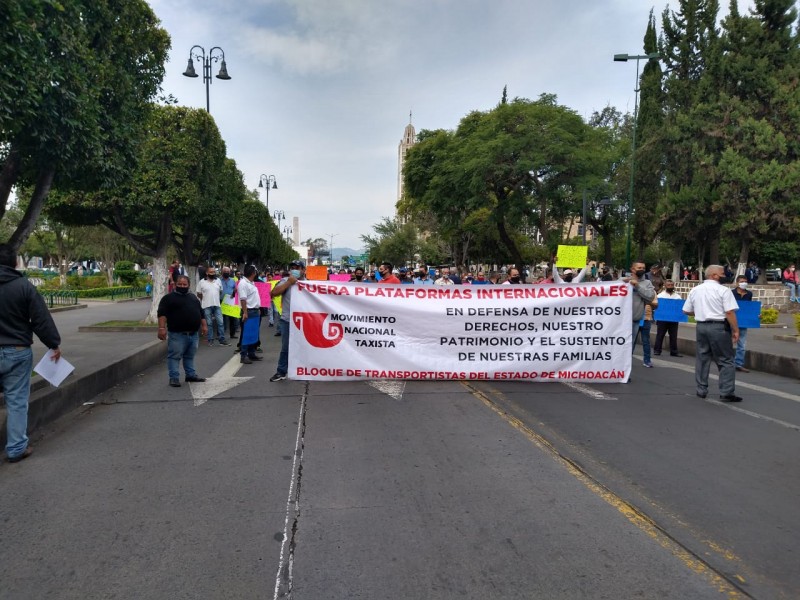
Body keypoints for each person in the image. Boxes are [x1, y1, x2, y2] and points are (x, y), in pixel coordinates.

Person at [0, 244, 62, 463]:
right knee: (16, 401)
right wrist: (53, 344)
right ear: (16, 262)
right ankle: (16, 448)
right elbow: (40, 320)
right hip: (17, 351)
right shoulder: (24, 287)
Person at [682, 264, 742, 402]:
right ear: (714, 275)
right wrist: (736, 330)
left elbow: (686, 310)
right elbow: (729, 312)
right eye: (722, 273)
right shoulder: (724, 291)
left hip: (701, 327)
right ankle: (726, 392)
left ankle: (701, 389)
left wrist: (702, 311)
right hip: (719, 327)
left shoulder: (695, 290)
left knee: (703, 358)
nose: (724, 275)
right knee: (726, 360)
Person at [157, 275, 207, 387]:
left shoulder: (193, 298)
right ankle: (174, 378)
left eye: (185, 284)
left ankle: (190, 375)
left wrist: (204, 326)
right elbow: (162, 314)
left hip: (193, 334)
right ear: (175, 284)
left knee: (190, 356)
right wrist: (161, 328)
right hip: (177, 334)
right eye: (180, 284)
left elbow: (201, 313)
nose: (182, 286)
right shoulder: (168, 299)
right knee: (174, 356)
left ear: (189, 285)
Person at [270, 261, 305, 381]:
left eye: (297, 268)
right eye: (292, 268)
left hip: (305, 322)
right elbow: (273, 293)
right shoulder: (285, 281)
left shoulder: (310, 284)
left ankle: (306, 370)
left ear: (303, 270)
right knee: (286, 347)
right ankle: (281, 371)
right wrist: (289, 283)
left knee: (305, 346)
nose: (294, 269)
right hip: (287, 320)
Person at [624, 261, 656, 353]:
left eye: (643, 268)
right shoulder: (623, 281)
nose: (642, 270)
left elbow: (650, 297)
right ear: (632, 269)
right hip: (621, 320)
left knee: (630, 345)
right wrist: (623, 283)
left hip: (635, 320)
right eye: (639, 268)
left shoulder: (647, 283)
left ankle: (627, 367)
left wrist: (637, 286)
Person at [196, 266, 230, 347]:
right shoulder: (202, 282)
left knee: (221, 323)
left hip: (217, 305)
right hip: (206, 306)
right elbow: (199, 294)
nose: (213, 273)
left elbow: (220, 291)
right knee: (209, 324)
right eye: (211, 272)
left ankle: (222, 339)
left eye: (214, 272)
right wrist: (205, 299)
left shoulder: (218, 281)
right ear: (207, 273)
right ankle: (210, 340)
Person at [237, 265, 263, 364]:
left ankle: (251, 353)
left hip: (255, 310)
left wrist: (258, 308)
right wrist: (245, 312)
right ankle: (243, 355)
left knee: (253, 334)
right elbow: (243, 299)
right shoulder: (243, 283)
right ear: (253, 273)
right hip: (249, 311)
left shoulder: (251, 283)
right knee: (246, 334)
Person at [653, 279, 683, 357]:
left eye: (671, 285)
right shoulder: (660, 296)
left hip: (673, 319)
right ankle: (657, 350)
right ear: (665, 286)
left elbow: (679, 308)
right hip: (662, 319)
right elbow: (656, 307)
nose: (670, 286)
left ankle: (674, 352)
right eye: (668, 285)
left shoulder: (677, 296)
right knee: (660, 335)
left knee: (673, 336)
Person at [733, 274, 753, 373]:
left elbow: (749, 308)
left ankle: (739, 364)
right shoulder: (731, 293)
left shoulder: (749, 294)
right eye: (741, 282)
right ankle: (727, 363)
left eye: (745, 281)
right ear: (737, 283)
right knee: (728, 343)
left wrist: (755, 315)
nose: (743, 283)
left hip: (743, 322)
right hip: (731, 321)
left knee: (742, 345)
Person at [220, 266, 239, 338]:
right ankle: (222, 334)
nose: (226, 273)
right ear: (222, 273)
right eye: (225, 272)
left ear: (230, 272)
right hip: (221, 301)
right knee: (222, 318)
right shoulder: (219, 280)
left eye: (227, 272)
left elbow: (236, 289)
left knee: (232, 318)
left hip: (231, 301)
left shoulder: (232, 280)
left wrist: (234, 292)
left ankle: (232, 334)